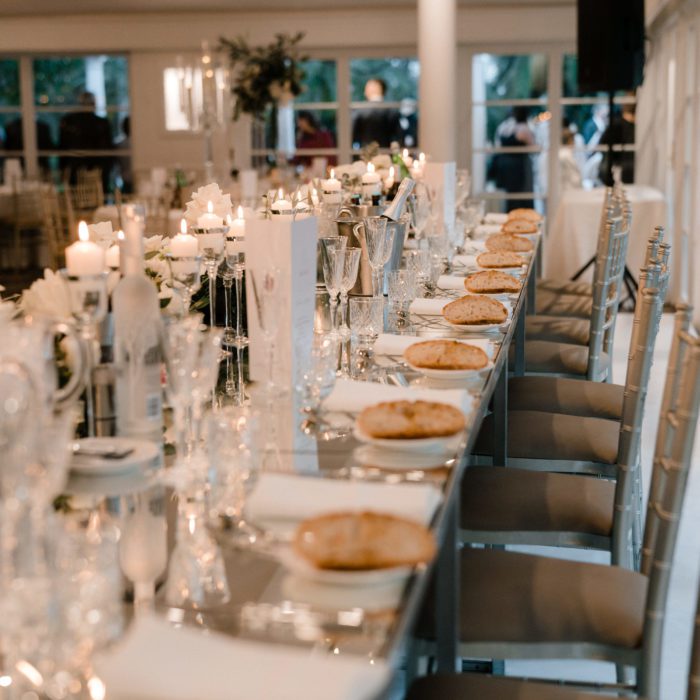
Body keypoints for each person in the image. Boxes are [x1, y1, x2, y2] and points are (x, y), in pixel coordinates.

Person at [59, 91, 113, 190]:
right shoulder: (101, 123)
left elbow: (63, 148)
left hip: (86, 169)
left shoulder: (70, 121)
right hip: (89, 170)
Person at [488, 106, 535, 211]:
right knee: (521, 196)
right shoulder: (525, 129)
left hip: (506, 167)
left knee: (512, 197)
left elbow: (497, 145)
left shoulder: (504, 127)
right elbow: (534, 148)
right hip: (520, 167)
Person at [351, 78, 402, 149]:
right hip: (386, 154)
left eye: (367, 88)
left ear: (376, 88)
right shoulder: (392, 110)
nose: (364, 92)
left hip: (365, 155)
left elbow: (351, 136)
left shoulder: (359, 110)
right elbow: (398, 137)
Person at [599, 100, 635, 185]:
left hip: (620, 168)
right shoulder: (631, 126)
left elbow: (602, 143)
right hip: (620, 168)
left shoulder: (617, 123)